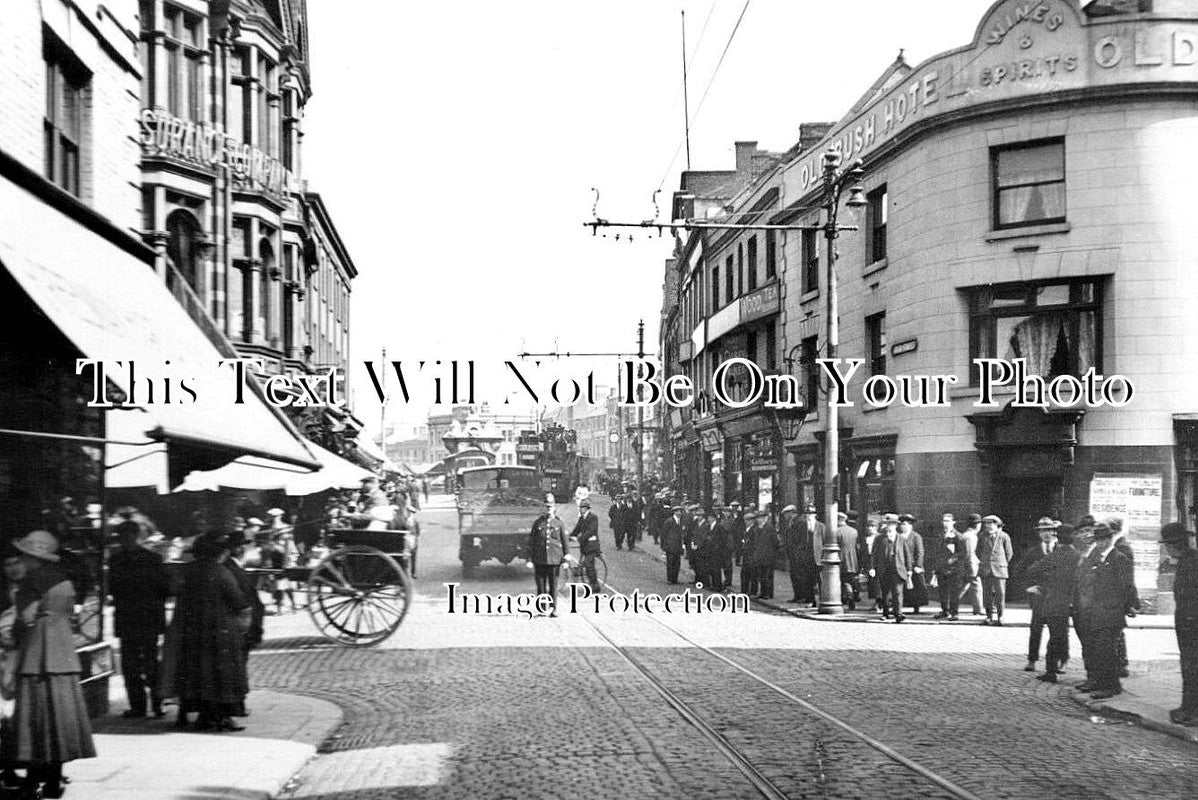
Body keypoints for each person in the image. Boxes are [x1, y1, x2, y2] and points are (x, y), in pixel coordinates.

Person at [3, 530, 95, 798]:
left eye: (24, 554)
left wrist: (13, 635)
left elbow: (26, 617)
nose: (21, 559)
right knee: (58, 718)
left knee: (33, 719)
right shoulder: (64, 579)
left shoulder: (32, 580)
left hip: (36, 653)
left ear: (33, 557)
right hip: (63, 652)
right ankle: (54, 780)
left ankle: (32, 781)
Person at [165, 533, 251, 731]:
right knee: (220, 675)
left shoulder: (186, 571)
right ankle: (218, 716)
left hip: (191, 631)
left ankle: (194, 713)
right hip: (219, 632)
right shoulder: (221, 572)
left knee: (194, 674)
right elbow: (238, 601)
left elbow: (173, 589)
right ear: (220, 553)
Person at [108, 520, 171, 719]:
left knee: (131, 664)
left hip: (128, 618)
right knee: (151, 662)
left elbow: (112, 589)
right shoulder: (153, 559)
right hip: (149, 618)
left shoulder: (116, 560)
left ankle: (138, 706)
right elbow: (165, 589)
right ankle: (157, 704)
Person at [1073, 522, 1136, 699]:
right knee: (1099, 650)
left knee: (1107, 651)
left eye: (1103, 540)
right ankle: (1099, 683)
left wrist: (1127, 606)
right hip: (1098, 614)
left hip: (1111, 613)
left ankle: (1111, 686)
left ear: (1109, 539)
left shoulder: (1118, 558)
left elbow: (1127, 585)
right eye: (1098, 540)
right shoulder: (1100, 559)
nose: (1100, 543)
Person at [1024, 524, 1081, 683]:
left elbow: (1032, 570)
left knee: (1053, 637)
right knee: (1062, 634)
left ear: (1058, 537)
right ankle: (1062, 662)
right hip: (1070, 601)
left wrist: (1043, 584)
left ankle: (1050, 671)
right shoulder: (1078, 556)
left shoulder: (1054, 555)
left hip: (1052, 600)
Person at [1160, 522, 1198, 726]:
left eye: (1167, 545)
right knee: (1188, 666)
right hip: (1186, 624)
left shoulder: (1192, 562)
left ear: (1175, 545)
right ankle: (1187, 707)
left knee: (1194, 667)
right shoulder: (1186, 561)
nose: (1166, 549)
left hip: (1193, 624)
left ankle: (1194, 711)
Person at [1021, 517, 1062, 672]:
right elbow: (1020, 571)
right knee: (1036, 629)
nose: (1047, 534)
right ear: (1039, 534)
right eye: (1043, 531)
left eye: (1050, 530)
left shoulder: (1061, 550)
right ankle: (1032, 660)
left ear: (1054, 532)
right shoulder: (1032, 552)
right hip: (1038, 597)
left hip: (1056, 597)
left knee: (1056, 631)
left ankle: (1056, 661)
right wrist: (1029, 587)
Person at [528, 495, 569, 616]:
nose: (549, 509)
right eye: (547, 507)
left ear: (554, 507)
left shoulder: (559, 523)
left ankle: (554, 608)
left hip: (554, 560)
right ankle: (542, 608)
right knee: (540, 587)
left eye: (551, 507)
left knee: (553, 586)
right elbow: (531, 542)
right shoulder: (538, 523)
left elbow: (564, 541)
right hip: (539, 560)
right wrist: (529, 558)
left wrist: (566, 557)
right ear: (544, 508)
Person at [870, 514, 912, 622]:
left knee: (897, 592)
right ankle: (885, 613)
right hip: (884, 569)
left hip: (898, 569)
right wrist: (873, 567)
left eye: (892, 524)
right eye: (887, 524)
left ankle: (898, 614)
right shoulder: (879, 538)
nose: (889, 526)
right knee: (885, 593)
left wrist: (909, 570)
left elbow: (907, 555)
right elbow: (874, 554)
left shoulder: (901, 539)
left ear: (896, 525)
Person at [977, 514, 1013, 626]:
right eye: (986, 523)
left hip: (1000, 569)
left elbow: (1009, 553)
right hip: (986, 569)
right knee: (987, 594)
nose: (988, 526)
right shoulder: (982, 536)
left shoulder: (1004, 536)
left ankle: (1001, 616)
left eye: (991, 523)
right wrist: (984, 562)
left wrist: (1001, 563)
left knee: (1000, 594)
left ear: (997, 524)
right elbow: (978, 551)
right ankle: (988, 616)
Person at [933, 520, 970, 621]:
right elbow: (937, 552)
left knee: (954, 592)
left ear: (953, 522)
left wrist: (953, 559)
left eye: (948, 521)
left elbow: (963, 552)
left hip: (954, 569)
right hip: (942, 568)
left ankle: (954, 612)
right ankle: (945, 611)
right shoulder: (941, 536)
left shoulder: (958, 536)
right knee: (942, 591)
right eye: (944, 521)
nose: (945, 523)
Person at [898, 514, 927, 614]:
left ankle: (916, 607)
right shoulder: (899, 537)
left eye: (905, 524)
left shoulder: (915, 536)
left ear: (910, 526)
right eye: (902, 524)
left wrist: (918, 565)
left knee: (916, 586)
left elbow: (920, 551)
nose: (903, 526)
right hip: (903, 565)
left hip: (914, 565)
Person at [570, 499, 601, 593]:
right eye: (580, 507)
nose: (580, 509)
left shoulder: (593, 517)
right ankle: (590, 583)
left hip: (592, 546)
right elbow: (577, 529)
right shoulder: (582, 518)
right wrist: (569, 537)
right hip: (584, 546)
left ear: (587, 508)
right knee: (586, 565)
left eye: (582, 508)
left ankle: (595, 586)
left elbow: (591, 531)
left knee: (588, 565)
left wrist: (579, 538)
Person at [795, 505, 822, 607]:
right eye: (807, 513)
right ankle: (811, 600)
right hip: (806, 557)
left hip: (818, 557)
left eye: (811, 513)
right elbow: (796, 541)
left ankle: (822, 600)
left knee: (820, 580)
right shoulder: (801, 526)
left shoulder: (821, 526)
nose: (809, 516)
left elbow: (824, 541)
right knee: (808, 580)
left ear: (815, 515)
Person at [957, 513, 984, 616]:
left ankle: (951, 607)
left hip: (965, 566)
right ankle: (978, 609)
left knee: (963, 587)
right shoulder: (970, 537)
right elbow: (970, 554)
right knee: (975, 586)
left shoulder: (966, 535)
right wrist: (973, 569)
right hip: (969, 566)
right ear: (977, 525)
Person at [746, 511, 777, 600]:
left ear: (764, 518)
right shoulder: (757, 528)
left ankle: (768, 594)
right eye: (757, 518)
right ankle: (763, 593)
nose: (758, 520)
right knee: (762, 576)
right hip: (759, 555)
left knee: (768, 575)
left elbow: (774, 542)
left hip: (768, 555)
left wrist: (771, 552)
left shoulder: (769, 528)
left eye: (760, 518)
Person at [835, 512, 859, 610]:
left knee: (844, 580)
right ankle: (851, 595)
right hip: (853, 559)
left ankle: (849, 597)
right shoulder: (854, 531)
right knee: (851, 579)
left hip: (841, 558)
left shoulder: (836, 531)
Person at [858, 516, 880, 612]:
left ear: (876, 528)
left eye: (872, 526)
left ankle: (878, 603)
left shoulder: (879, 538)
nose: (870, 528)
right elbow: (863, 553)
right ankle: (877, 602)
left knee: (877, 584)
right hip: (868, 563)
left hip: (878, 563)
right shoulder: (865, 539)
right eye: (869, 526)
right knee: (872, 584)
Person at [660, 506, 686, 584]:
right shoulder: (669, 521)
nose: (679, 513)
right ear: (674, 512)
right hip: (670, 546)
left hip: (678, 545)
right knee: (670, 563)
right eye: (678, 512)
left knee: (677, 563)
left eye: (680, 512)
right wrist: (664, 545)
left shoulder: (681, 521)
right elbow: (663, 533)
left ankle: (675, 579)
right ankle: (670, 579)